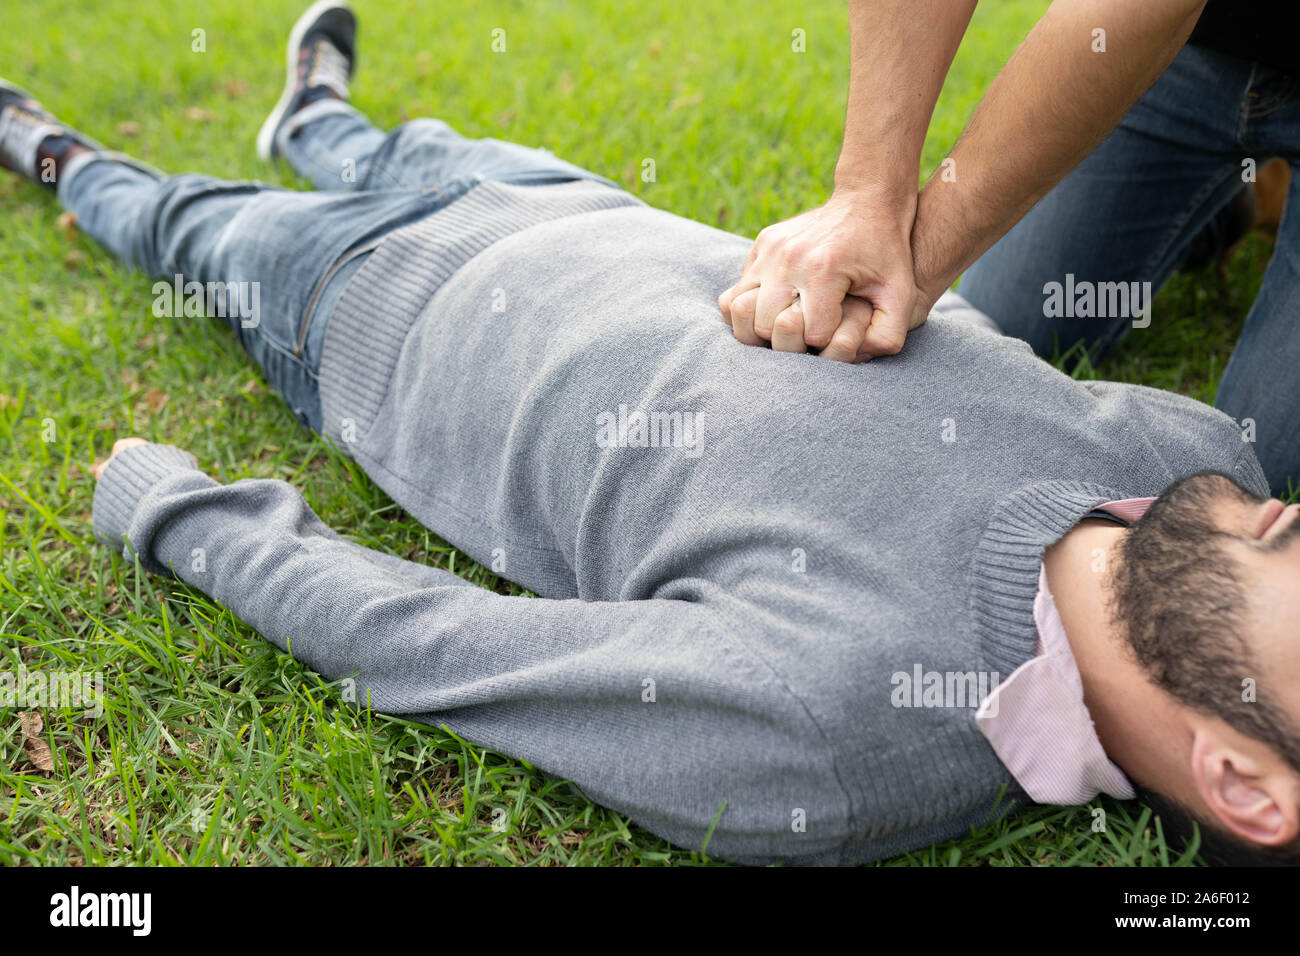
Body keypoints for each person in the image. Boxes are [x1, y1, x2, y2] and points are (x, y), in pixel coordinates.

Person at [3, 2, 1299, 865]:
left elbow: (453, 650)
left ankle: (53, 152)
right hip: (583, 212)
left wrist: (181, 520)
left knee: (187, 226)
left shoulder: (840, 738)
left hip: (390, 313)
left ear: (1246, 784)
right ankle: (315, 120)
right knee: (409, 145)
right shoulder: (1199, 465)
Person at [718, 0, 1300, 497]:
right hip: (1191, 50)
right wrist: (867, 193)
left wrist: (915, 274)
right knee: (1017, 317)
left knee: (1248, 467)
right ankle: (1226, 210)